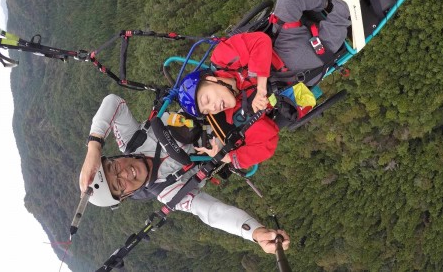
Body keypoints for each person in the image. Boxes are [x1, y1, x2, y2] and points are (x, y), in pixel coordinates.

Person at [178, 0, 396, 166]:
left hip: (279, 41)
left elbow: (260, 42)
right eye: (207, 109)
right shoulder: (238, 115)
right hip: (293, 67)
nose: (213, 107)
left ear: (211, 79)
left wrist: (260, 87)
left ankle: (327, 3)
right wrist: (228, 157)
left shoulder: (222, 58)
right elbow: (267, 142)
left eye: (207, 98)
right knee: (328, 41)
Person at [79, 94, 290, 254]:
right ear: (125, 196)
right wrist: (255, 232)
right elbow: (212, 212)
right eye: (119, 185)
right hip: (237, 140)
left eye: (114, 168)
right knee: (289, 109)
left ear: (113, 158)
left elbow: (113, 101)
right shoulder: (169, 193)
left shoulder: (131, 141)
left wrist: (94, 146)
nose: (124, 173)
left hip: (216, 102)